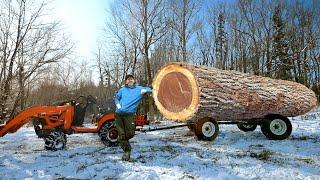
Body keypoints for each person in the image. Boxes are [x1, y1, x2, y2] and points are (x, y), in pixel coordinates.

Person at [114, 74, 152, 161]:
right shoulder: (122, 90)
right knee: (122, 134)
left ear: (134, 81)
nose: (130, 81)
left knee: (130, 133)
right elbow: (116, 98)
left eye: (131, 79)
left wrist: (147, 90)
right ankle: (127, 151)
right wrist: (118, 106)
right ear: (126, 82)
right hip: (118, 114)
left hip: (129, 115)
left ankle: (122, 140)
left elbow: (151, 90)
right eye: (128, 80)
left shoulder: (139, 89)